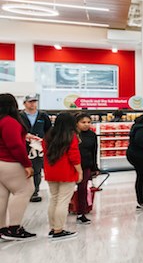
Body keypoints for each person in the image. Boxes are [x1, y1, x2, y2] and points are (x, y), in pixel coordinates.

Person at [0, 93, 36, 240]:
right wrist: (27, 164)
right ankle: (15, 227)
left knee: (2, 196)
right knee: (25, 190)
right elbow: (15, 145)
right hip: (11, 163)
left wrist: (24, 135)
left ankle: (2, 229)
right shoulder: (10, 121)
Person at [42, 112, 82, 240]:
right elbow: (74, 156)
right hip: (67, 171)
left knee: (54, 199)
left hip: (51, 171)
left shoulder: (48, 135)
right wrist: (79, 171)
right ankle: (59, 230)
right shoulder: (71, 136)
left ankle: (53, 228)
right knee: (63, 201)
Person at [20, 95, 52, 202]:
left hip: (39, 147)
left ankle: (35, 191)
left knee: (37, 169)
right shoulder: (19, 116)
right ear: (24, 103)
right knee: (23, 170)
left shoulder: (43, 116)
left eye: (34, 102)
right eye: (30, 102)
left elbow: (49, 131)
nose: (32, 104)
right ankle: (24, 191)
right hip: (23, 147)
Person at [75, 112, 100, 224]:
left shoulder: (92, 135)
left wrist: (95, 167)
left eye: (89, 122)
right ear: (76, 123)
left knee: (83, 189)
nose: (86, 124)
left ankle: (81, 212)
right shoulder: (72, 134)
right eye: (83, 122)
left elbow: (94, 152)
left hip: (86, 165)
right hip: (72, 165)